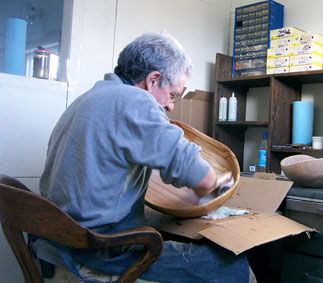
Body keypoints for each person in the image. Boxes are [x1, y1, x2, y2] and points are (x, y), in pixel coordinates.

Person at [32, 31, 250, 282]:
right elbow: (200, 177)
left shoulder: (86, 99)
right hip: (97, 251)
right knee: (231, 264)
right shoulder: (135, 101)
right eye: (173, 95)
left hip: (52, 242)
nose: (170, 106)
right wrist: (215, 181)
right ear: (153, 80)